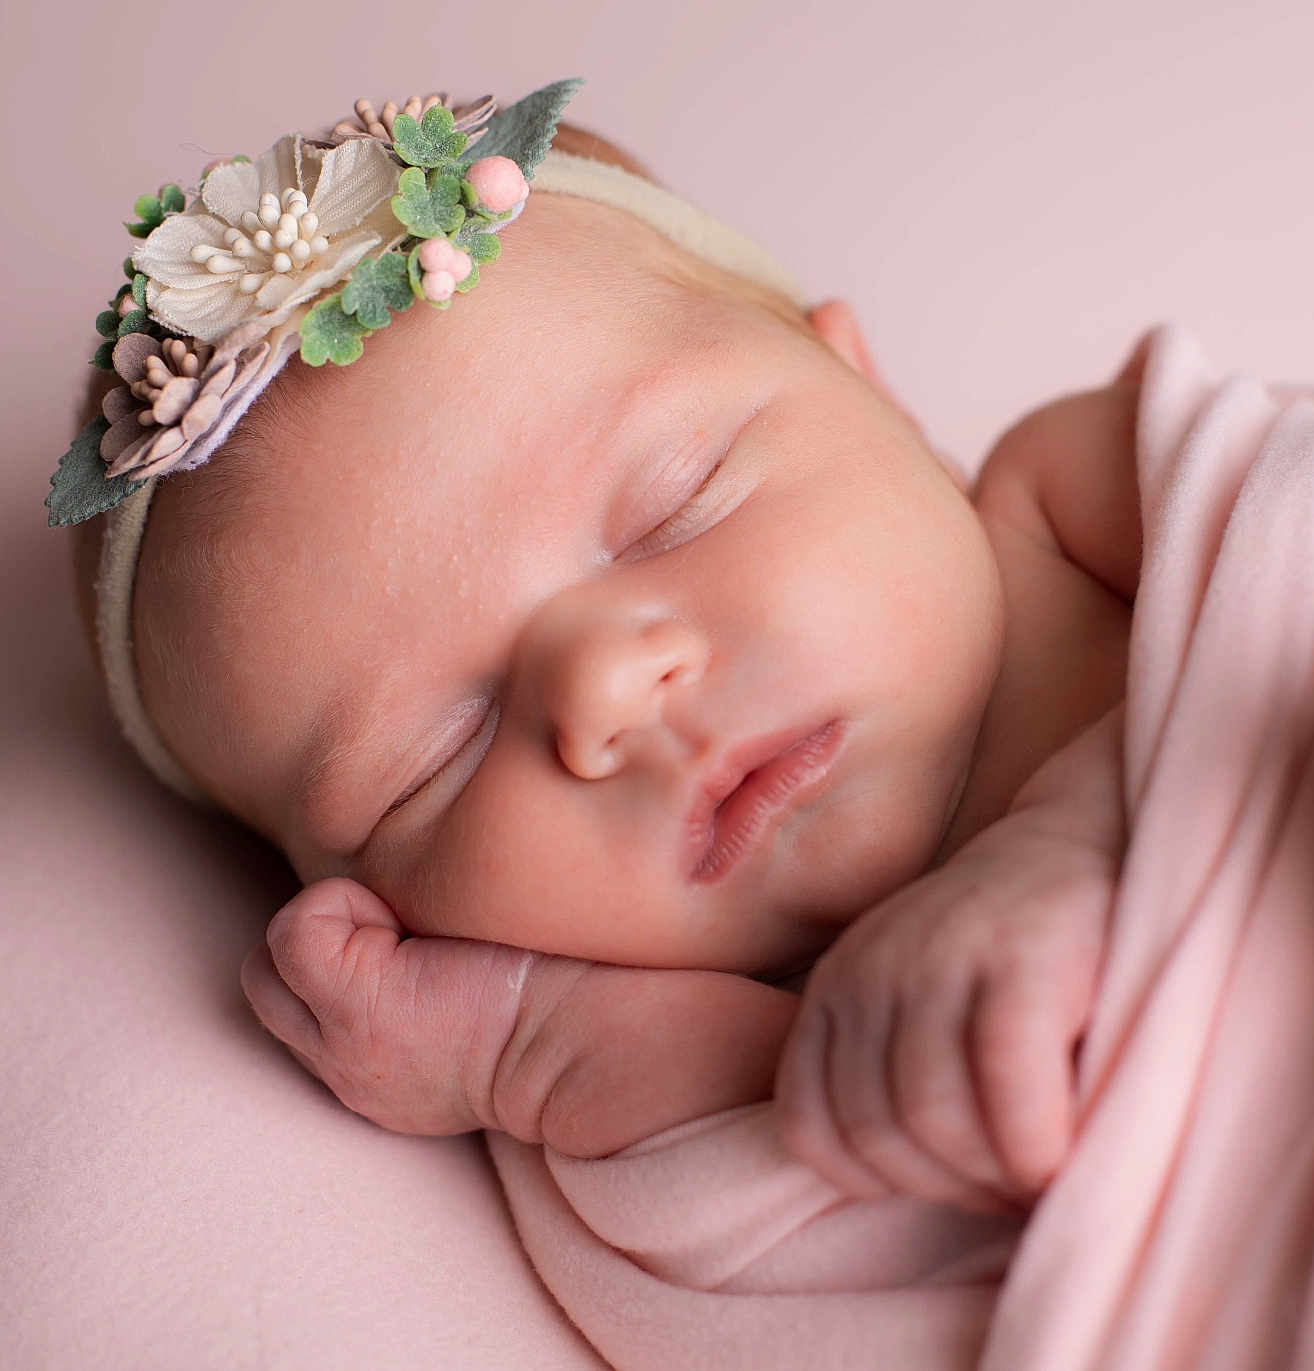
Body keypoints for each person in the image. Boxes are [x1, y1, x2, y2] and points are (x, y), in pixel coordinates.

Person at [60, 80, 1140, 1224]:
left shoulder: (1103, 494)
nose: (606, 693)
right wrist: (528, 1048)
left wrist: (1082, 840)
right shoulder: (640, 1097)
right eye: (435, 760)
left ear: (867, 387)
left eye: (681, 505)